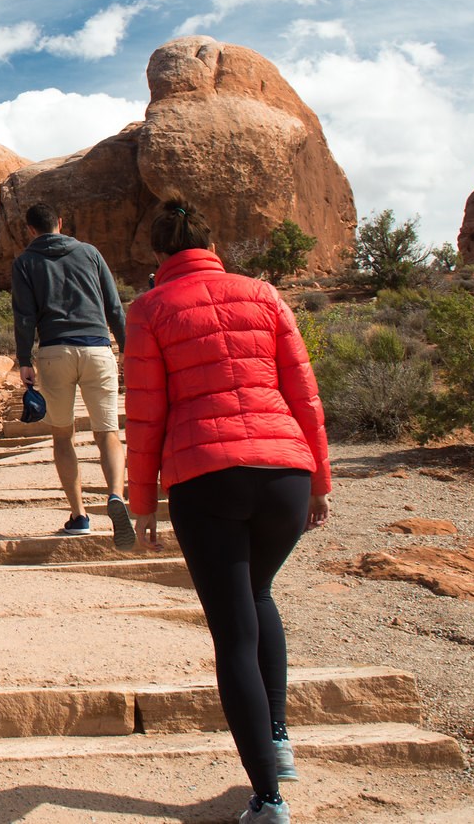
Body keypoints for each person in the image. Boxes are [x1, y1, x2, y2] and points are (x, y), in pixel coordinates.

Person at [124, 200, 332, 824]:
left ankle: (269, 798)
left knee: (233, 634)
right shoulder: (263, 294)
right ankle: (279, 739)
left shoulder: (151, 309)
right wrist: (318, 479)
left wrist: (142, 504)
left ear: (159, 256)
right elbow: (303, 389)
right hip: (284, 474)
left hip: (206, 478)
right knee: (259, 595)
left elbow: (145, 412)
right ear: (213, 244)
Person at [9, 201, 132, 548]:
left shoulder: (25, 262)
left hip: (54, 352)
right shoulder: (90, 253)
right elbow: (113, 306)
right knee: (107, 433)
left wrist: (24, 360)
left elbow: (24, 316)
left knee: (63, 437)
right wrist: (127, 350)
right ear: (60, 223)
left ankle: (79, 516)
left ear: (31, 230)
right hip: (97, 348)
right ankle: (115, 497)